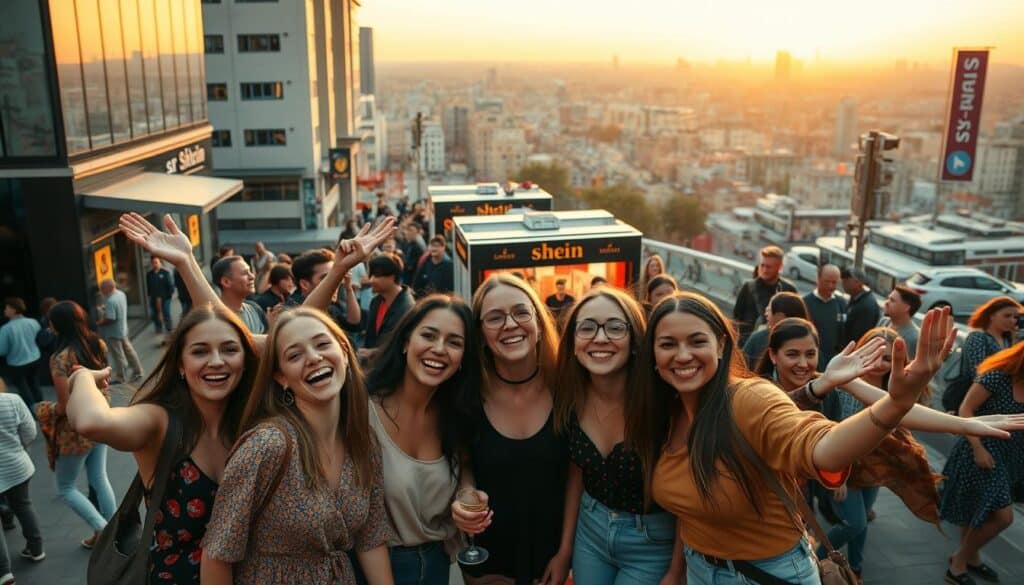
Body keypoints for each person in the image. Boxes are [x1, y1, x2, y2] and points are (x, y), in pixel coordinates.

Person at [638, 292, 955, 584]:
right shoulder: (662, 413)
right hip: (700, 569)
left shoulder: (752, 398)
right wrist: (676, 571)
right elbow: (690, 508)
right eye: (667, 344)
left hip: (764, 574)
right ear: (651, 352)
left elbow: (821, 446)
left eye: (697, 342)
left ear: (721, 345)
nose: (682, 355)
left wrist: (895, 404)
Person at [200, 308, 395, 584]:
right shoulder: (266, 446)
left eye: (322, 344)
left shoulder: (363, 443)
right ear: (281, 378)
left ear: (343, 351)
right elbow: (217, 556)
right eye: (295, 355)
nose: (314, 358)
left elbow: (371, 538)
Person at [68, 305, 259, 584]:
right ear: (181, 364)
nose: (216, 361)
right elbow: (91, 422)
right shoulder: (160, 421)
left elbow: (295, 342)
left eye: (230, 349)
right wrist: (83, 377)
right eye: (200, 351)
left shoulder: (254, 420)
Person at [553, 287, 682, 584]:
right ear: (572, 341)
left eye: (614, 327)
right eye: (587, 327)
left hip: (652, 542)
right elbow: (577, 475)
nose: (600, 338)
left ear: (635, 340)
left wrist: (677, 571)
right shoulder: (570, 396)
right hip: (591, 533)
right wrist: (565, 550)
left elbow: (686, 494)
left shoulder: (664, 403)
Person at [451, 273, 569, 585]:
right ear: (480, 334)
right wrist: (464, 498)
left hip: (555, 560)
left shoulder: (568, 388)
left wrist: (566, 554)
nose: (510, 324)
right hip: (490, 562)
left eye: (520, 312)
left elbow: (577, 476)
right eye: (495, 317)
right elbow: (464, 464)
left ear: (539, 323)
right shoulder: (466, 394)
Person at [357, 295, 480, 584]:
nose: (439, 349)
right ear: (405, 342)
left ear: (463, 359)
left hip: (436, 565)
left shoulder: (455, 415)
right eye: (428, 335)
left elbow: (463, 468)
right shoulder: (360, 408)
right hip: (373, 571)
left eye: (454, 342)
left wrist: (467, 494)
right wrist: (338, 271)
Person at [941, 340, 1024, 585]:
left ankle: (971, 558)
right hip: (981, 451)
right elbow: (966, 410)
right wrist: (977, 448)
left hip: (1011, 457)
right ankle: (958, 563)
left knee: (978, 510)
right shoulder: (997, 376)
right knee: (1003, 517)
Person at [46, 301, 116, 548]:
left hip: (76, 430)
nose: (48, 325)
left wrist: (43, 408)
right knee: (99, 477)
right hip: (101, 419)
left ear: (58, 325)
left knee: (65, 488)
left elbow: (64, 407)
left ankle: (104, 530)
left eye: (50, 321)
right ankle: (112, 531)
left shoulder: (59, 359)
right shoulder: (97, 343)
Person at [0, 377, 44, 582]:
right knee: (23, 505)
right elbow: (30, 431)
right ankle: (36, 549)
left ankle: (4, 573)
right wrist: (20, 448)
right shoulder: (12, 400)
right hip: (18, 467)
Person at [946, 297, 1023, 413]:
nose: (1012, 321)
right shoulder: (978, 337)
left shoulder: (1007, 339)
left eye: (1015, 317)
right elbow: (977, 371)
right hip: (975, 398)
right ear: (991, 315)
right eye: (1006, 316)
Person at [288, 249, 363, 337]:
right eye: (326, 278)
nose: (335, 282)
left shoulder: (331, 305)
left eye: (335, 276)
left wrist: (349, 289)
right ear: (304, 284)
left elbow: (353, 323)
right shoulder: (292, 312)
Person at [732, 245, 797, 345]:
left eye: (769, 267)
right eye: (762, 265)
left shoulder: (788, 290)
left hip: (776, 345)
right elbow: (736, 318)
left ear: (780, 267)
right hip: (748, 345)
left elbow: (795, 322)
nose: (765, 270)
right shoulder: (748, 287)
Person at [361, 254, 415, 358]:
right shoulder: (376, 302)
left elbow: (404, 345)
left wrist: (374, 352)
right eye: (370, 275)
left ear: (392, 277)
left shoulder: (406, 308)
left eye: (376, 276)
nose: (371, 280)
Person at [742, 292, 809, 369]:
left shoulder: (759, 338)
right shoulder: (758, 338)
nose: (766, 312)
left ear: (781, 316)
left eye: (769, 309)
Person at [96, 279, 144, 384]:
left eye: (102, 289)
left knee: (118, 355)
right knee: (130, 351)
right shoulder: (121, 294)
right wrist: (106, 308)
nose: (101, 291)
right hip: (123, 329)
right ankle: (138, 370)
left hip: (113, 333)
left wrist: (99, 323)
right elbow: (117, 309)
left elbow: (111, 318)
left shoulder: (110, 301)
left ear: (107, 288)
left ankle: (120, 377)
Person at [803, 264, 848, 371]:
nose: (831, 286)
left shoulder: (841, 303)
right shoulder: (805, 303)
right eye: (827, 282)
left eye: (834, 282)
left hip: (832, 362)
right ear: (818, 279)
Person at [0, 298, 42, 412]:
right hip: (35, 358)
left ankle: (32, 411)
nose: (4, 310)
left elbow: (2, 350)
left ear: (13, 309)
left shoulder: (6, 329)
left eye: (6, 308)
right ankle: (42, 408)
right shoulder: (34, 322)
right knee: (35, 384)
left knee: (24, 389)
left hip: (17, 363)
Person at [212, 256, 268, 335]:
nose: (252, 277)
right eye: (245, 273)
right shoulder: (213, 317)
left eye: (250, 272)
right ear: (226, 282)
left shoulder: (255, 310)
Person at [840, 267, 880, 347]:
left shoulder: (866, 305)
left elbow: (858, 336)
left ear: (858, 282)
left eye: (847, 280)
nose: (843, 282)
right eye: (843, 280)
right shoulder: (856, 298)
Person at [882, 285, 922, 359]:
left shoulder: (913, 338)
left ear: (906, 308)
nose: (886, 302)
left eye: (892, 300)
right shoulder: (884, 322)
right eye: (888, 298)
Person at [146, 256, 176, 337]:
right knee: (154, 313)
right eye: (153, 263)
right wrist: (149, 295)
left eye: (156, 262)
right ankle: (158, 328)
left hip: (165, 298)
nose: (155, 264)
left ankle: (169, 328)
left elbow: (170, 286)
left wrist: (169, 296)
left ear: (160, 263)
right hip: (154, 298)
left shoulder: (165, 273)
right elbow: (148, 286)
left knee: (166, 313)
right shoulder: (149, 274)